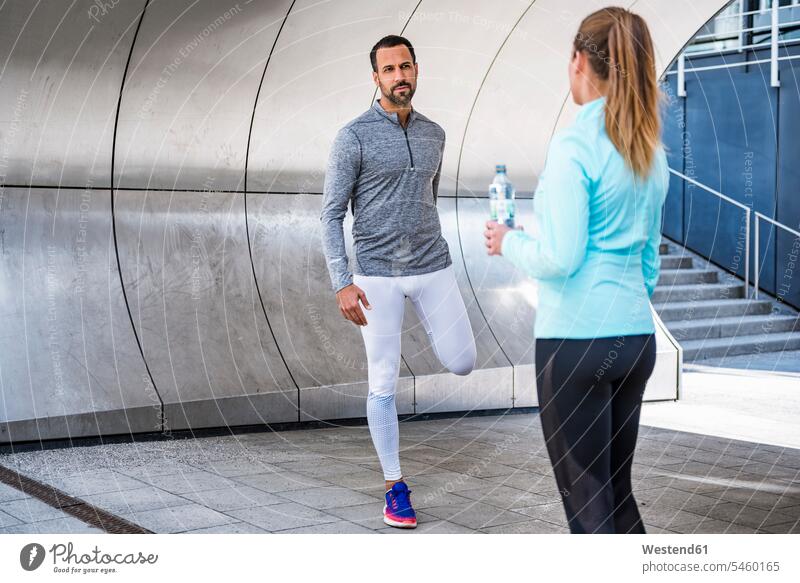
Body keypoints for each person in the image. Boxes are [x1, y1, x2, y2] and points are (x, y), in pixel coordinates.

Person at [484, 6, 669, 534]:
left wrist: (509, 240)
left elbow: (560, 258)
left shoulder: (574, 146)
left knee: (589, 510)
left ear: (578, 63)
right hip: (635, 339)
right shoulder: (648, 149)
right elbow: (649, 262)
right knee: (616, 495)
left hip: (574, 346)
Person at [320, 35, 477, 529]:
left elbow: (427, 194)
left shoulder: (435, 133)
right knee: (383, 381)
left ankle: (430, 323)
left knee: (464, 362)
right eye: (388, 70)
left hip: (433, 264)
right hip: (376, 275)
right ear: (376, 78)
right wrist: (342, 282)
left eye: (405, 66)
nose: (398, 76)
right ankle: (395, 487)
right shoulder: (353, 136)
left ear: (416, 69)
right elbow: (330, 215)